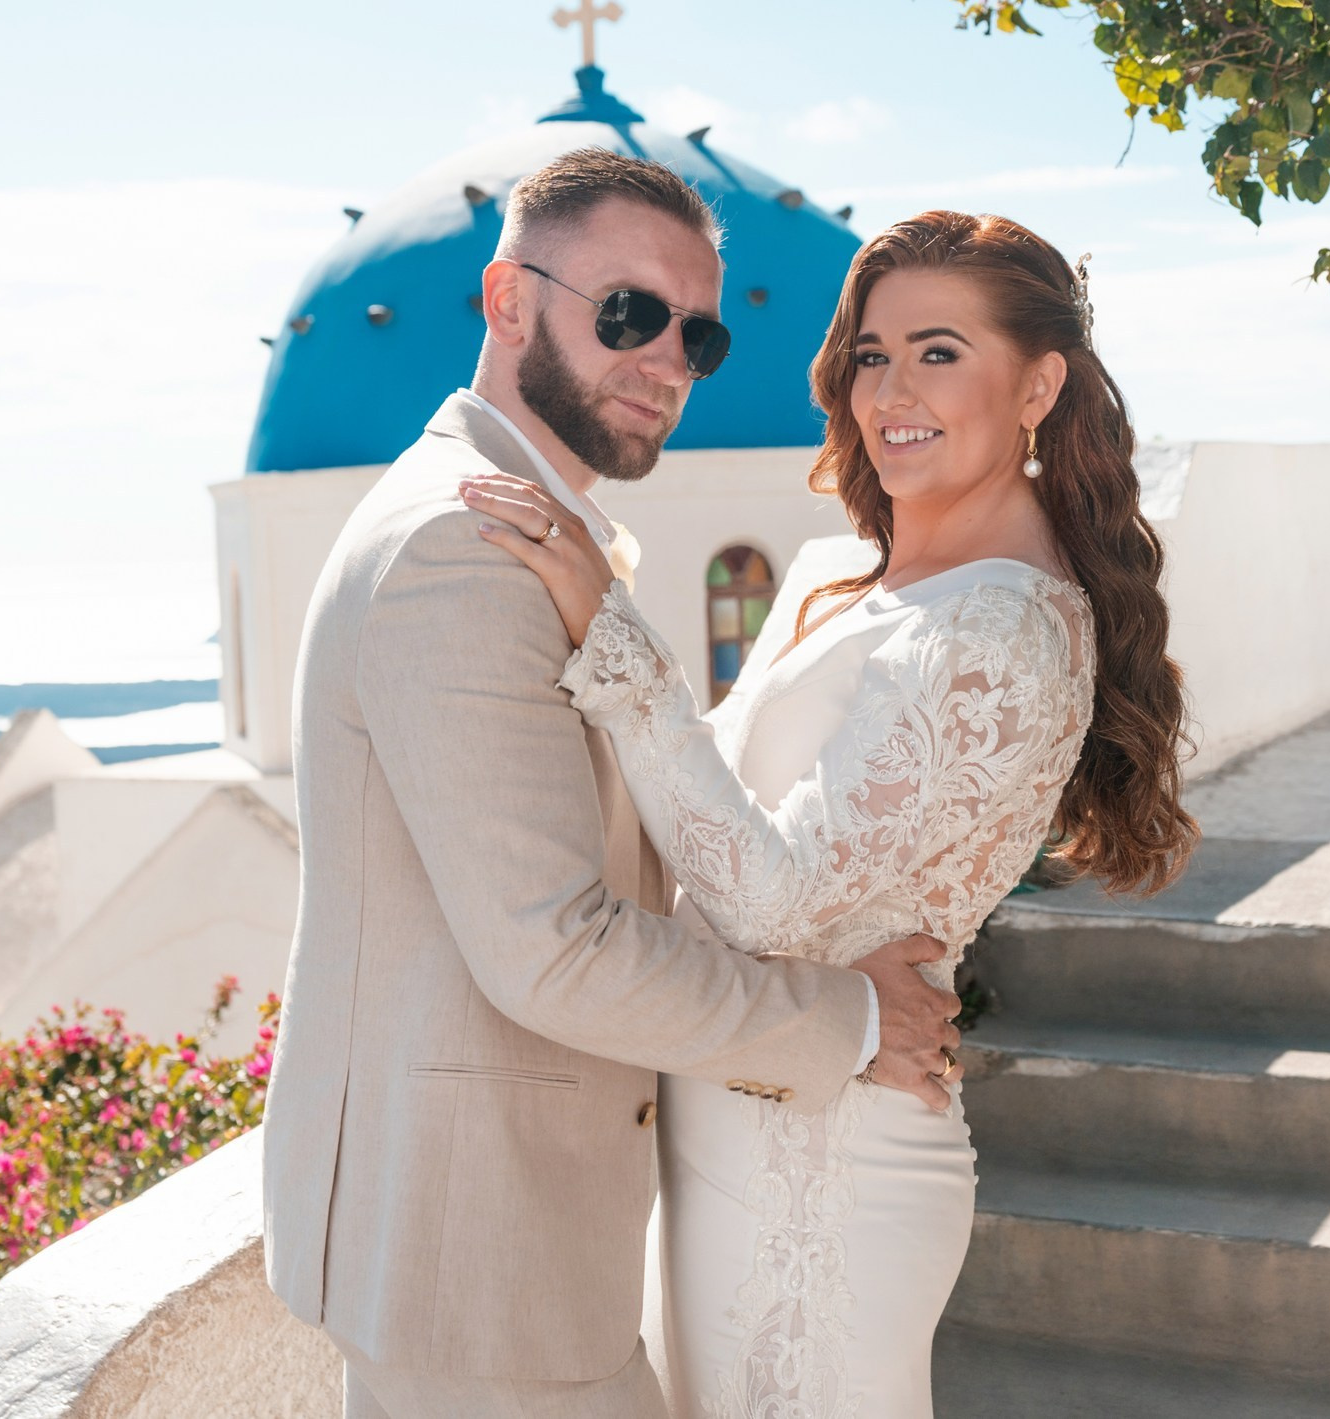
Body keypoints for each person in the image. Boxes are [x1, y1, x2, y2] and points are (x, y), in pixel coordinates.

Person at [259, 149, 967, 1419]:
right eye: (627, 313)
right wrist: (850, 1023)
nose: (665, 362)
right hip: (475, 1267)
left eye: (696, 335)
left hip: (500, 1248)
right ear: (508, 302)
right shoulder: (461, 550)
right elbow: (549, 950)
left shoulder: (522, 526)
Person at [462, 208, 1198, 1418]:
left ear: (1040, 384)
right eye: (870, 353)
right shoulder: (831, 576)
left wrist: (612, 624)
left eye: (939, 351)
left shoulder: (1005, 632)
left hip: (835, 1169)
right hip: (720, 1113)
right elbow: (705, 816)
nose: (889, 390)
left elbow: (767, 897)